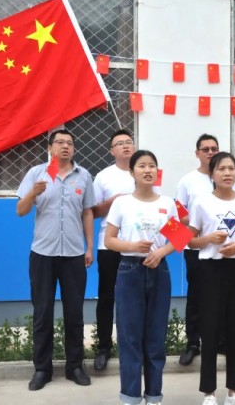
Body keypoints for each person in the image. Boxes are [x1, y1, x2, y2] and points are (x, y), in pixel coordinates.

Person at [16, 129, 94, 391]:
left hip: (74, 254)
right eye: (59, 142)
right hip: (43, 254)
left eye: (69, 143)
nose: (65, 146)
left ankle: (75, 366)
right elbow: (20, 211)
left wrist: (89, 247)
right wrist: (32, 193)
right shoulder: (36, 174)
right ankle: (42, 369)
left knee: (74, 313)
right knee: (42, 313)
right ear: (50, 148)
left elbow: (87, 212)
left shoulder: (83, 175)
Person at [104, 150, 176, 405]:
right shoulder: (122, 203)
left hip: (159, 269)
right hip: (129, 270)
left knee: (156, 337)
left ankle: (154, 396)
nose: (148, 170)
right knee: (130, 336)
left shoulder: (167, 203)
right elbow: (109, 240)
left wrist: (161, 252)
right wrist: (132, 246)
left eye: (152, 166)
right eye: (142, 166)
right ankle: (131, 397)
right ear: (132, 171)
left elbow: (178, 237)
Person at [188, 152, 235, 405]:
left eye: (231, 168)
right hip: (211, 271)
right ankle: (209, 392)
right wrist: (208, 239)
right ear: (212, 174)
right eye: (221, 169)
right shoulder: (202, 202)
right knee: (210, 329)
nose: (227, 173)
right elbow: (190, 240)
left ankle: (234, 391)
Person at [177, 134, 235, 366]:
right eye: (206, 149)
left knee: (222, 295)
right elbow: (179, 214)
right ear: (197, 153)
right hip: (196, 247)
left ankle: (220, 341)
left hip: (224, 249)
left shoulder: (230, 178)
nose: (210, 152)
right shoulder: (187, 181)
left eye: (214, 148)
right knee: (196, 295)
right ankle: (193, 343)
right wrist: (201, 222)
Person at [91, 129, 136, 371]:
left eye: (129, 142)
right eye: (120, 143)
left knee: (135, 298)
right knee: (107, 297)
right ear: (112, 151)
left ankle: (134, 346)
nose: (125, 146)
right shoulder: (103, 177)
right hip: (108, 245)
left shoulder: (144, 170)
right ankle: (104, 347)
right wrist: (113, 202)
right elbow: (93, 212)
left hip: (138, 247)